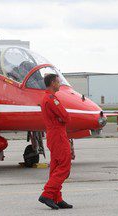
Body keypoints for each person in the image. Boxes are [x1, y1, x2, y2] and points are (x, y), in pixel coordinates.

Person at [38, 73, 73, 210]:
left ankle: (57, 198)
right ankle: (47, 194)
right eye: (58, 82)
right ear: (53, 83)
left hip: (53, 135)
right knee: (64, 166)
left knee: (56, 167)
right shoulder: (52, 99)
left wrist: (61, 119)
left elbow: (62, 117)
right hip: (58, 135)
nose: (59, 84)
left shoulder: (46, 97)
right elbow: (66, 116)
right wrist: (62, 119)